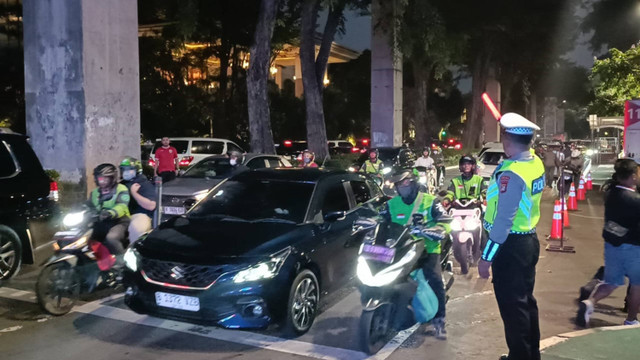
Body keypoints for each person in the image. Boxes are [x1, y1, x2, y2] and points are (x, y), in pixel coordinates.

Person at [477, 113, 545, 360]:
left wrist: (486, 258)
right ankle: (529, 354)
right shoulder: (534, 163)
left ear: (507, 140)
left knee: (513, 309)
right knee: (526, 303)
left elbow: (503, 223)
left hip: (511, 247)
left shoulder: (512, 174)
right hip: (528, 242)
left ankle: (520, 356)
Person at [381, 170, 451, 339]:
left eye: (405, 183)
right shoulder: (392, 204)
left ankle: (439, 319)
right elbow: (380, 221)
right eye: (398, 184)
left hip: (427, 249)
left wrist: (438, 229)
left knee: (434, 278)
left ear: (413, 183)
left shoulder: (430, 201)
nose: (401, 187)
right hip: (401, 249)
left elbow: (445, 220)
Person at [577, 159, 640, 327]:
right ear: (633, 176)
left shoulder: (612, 192)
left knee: (611, 282)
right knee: (637, 285)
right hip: (633, 247)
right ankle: (631, 319)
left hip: (612, 246)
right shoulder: (634, 199)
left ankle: (590, 303)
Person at [88, 163, 131, 258]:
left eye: (105, 178)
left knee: (111, 238)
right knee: (85, 239)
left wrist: (110, 213)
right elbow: (89, 205)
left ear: (112, 178)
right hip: (101, 221)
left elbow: (122, 206)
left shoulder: (121, 189)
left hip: (120, 221)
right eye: (100, 178)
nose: (102, 181)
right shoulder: (95, 193)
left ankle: (123, 261)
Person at [120, 157, 157, 243]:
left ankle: (133, 253)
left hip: (141, 215)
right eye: (123, 169)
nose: (126, 172)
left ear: (137, 170)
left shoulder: (143, 184)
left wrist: (134, 193)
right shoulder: (121, 184)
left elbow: (151, 206)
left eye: (129, 169)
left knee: (135, 229)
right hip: (122, 215)